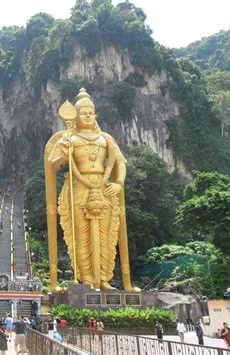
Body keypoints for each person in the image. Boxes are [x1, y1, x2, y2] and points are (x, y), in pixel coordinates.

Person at [44, 88, 139, 292]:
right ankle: (86, 278)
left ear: (95, 115)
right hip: (79, 188)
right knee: (81, 235)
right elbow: (53, 165)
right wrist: (64, 152)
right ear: (76, 116)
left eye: (90, 112)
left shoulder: (105, 139)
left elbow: (120, 162)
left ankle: (104, 278)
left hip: (104, 188)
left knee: (106, 235)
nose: (87, 115)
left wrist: (118, 183)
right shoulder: (69, 138)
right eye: (83, 112)